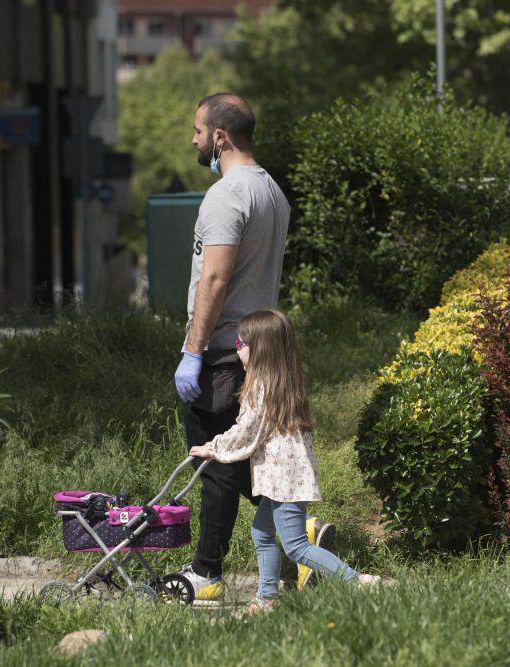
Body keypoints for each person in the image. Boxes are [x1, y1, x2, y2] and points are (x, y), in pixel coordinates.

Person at [174, 93, 331, 602]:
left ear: (220, 136)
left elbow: (215, 279)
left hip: (222, 349)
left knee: (215, 462)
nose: (194, 139)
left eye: (199, 131)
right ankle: (300, 536)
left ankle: (207, 574)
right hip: (256, 347)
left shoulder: (226, 195)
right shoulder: (272, 192)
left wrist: (194, 350)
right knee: (245, 458)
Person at [189, 310, 380, 613]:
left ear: (259, 349)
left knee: (295, 546)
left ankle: (357, 581)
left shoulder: (261, 389)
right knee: (261, 532)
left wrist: (212, 447)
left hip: (284, 480)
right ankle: (267, 598)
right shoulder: (283, 381)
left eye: (241, 345)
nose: (237, 351)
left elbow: (247, 431)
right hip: (284, 476)